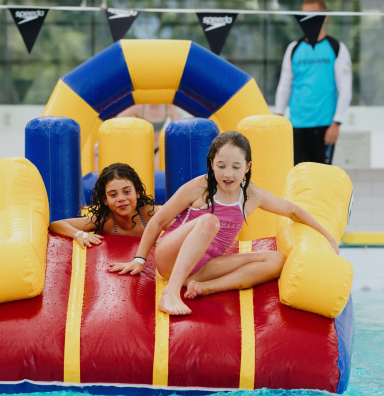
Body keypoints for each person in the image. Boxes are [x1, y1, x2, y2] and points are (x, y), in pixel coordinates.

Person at [109, 131, 340, 316]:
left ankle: (207, 288)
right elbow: (158, 220)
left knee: (277, 259)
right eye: (221, 166)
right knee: (209, 221)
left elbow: (293, 211)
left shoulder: (252, 195)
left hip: (203, 268)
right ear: (211, 164)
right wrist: (140, 259)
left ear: (247, 167)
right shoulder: (199, 186)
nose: (228, 174)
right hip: (170, 257)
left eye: (236, 167)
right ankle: (171, 292)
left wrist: (327, 237)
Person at [274, 0, 352, 165]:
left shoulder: (337, 47)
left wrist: (337, 123)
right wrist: (279, 117)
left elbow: (345, 89)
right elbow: (284, 85)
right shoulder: (293, 48)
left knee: (321, 179)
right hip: (296, 126)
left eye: (313, 15)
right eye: (304, 15)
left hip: (325, 126)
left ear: (324, 17)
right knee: (298, 178)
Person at [48, 163, 157, 247]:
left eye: (127, 192)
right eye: (113, 195)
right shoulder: (105, 221)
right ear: (105, 199)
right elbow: (56, 225)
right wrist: (79, 235)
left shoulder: (150, 213)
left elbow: (174, 228)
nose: (121, 199)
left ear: (137, 193)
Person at [117, 104, 181, 170]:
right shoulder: (139, 106)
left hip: (158, 147)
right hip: (142, 148)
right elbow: (117, 121)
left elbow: (178, 128)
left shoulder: (168, 106)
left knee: (157, 173)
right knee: (141, 172)